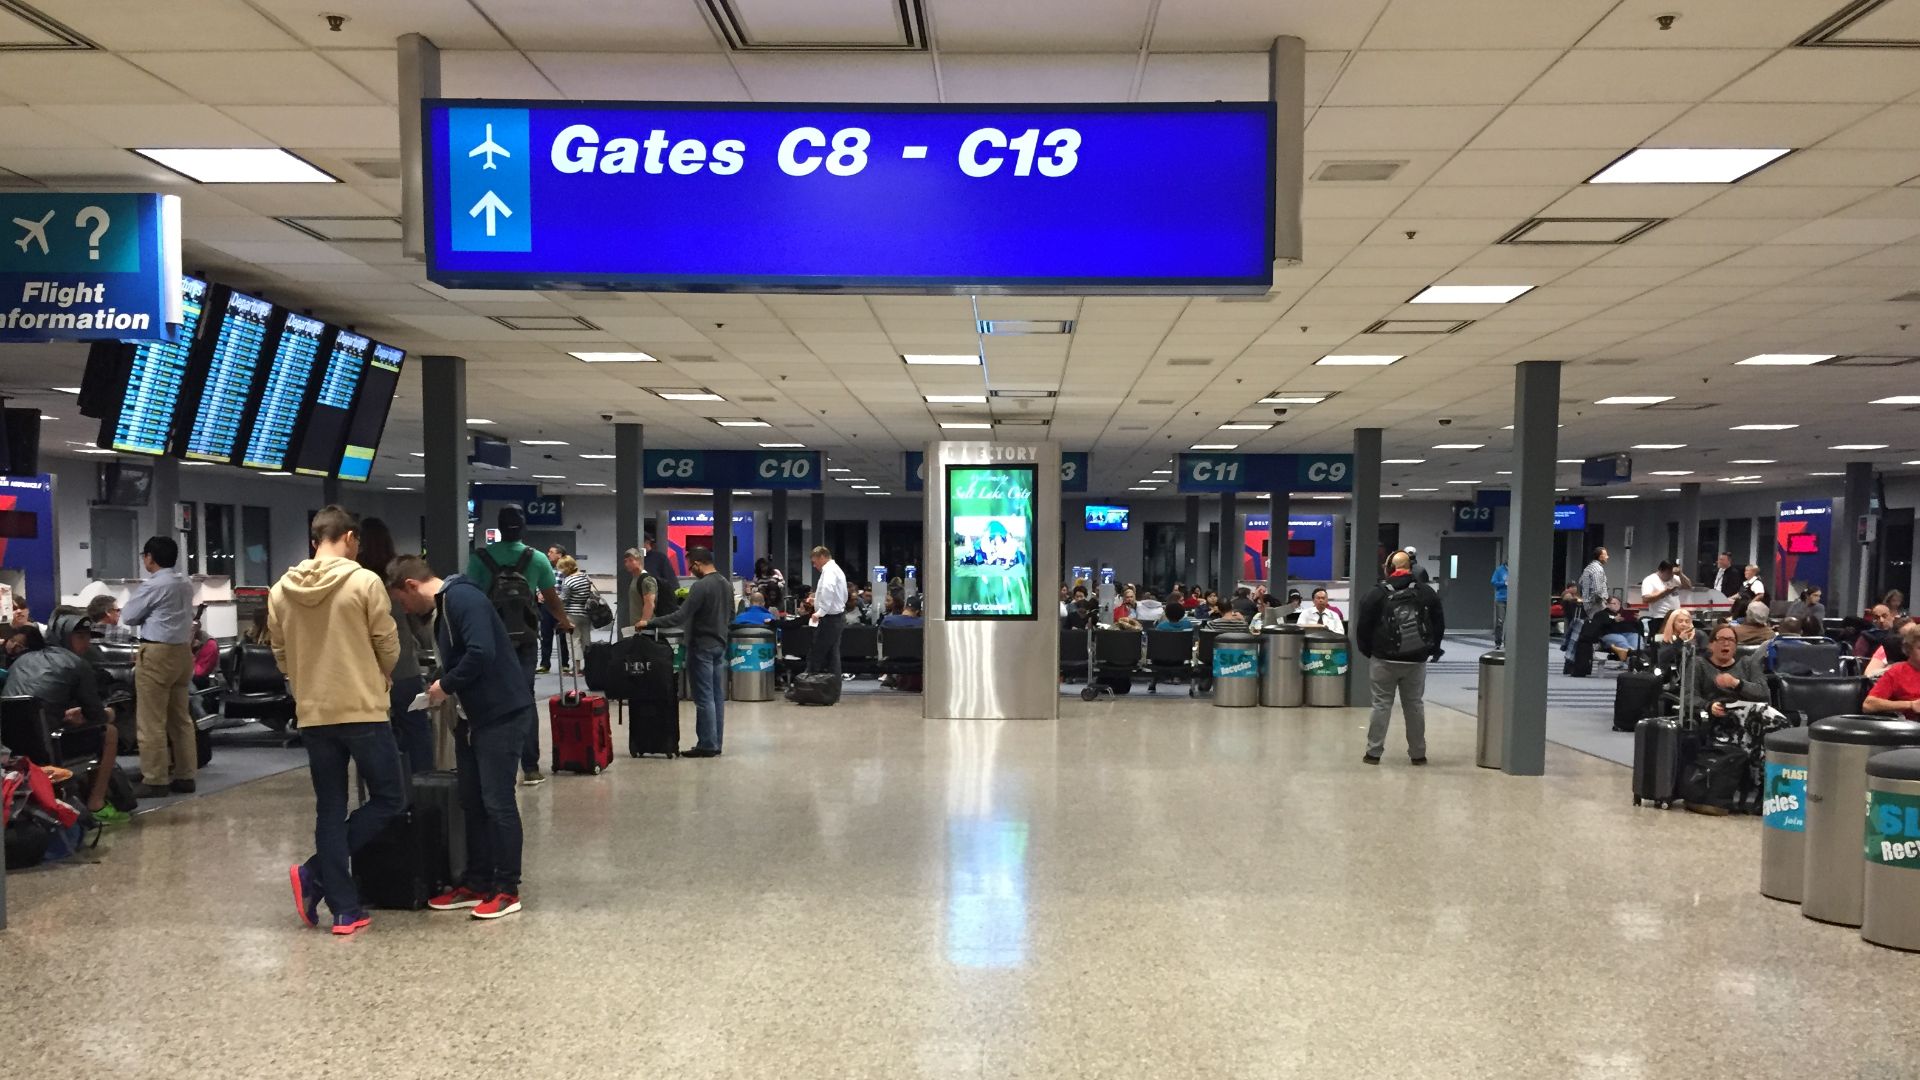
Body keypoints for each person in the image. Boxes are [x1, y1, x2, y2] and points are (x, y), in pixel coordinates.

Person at [272, 506, 403, 937]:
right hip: (362, 706)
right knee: (388, 798)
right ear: (349, 538)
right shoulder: (365, 581)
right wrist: (384, 670)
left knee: (329, 807)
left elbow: (280, 653)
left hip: (313, 712)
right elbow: (386, 640)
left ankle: (345, 909)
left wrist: (303, 679)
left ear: (315, 541)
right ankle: (315, 873)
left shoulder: (280, 591)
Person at [388, 554, 532, 921]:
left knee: (497, 802)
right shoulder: (445, 608)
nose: (405, 609)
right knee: (472, 800)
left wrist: (445, 686)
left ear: (411, 586)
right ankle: (477, 881)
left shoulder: (462, 599)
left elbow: (481, 652)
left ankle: (506, 888)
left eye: (403, 602)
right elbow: (459, 655)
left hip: (501, 714)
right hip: (473, 718)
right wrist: (440, 679)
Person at [464, 505, 570, 786]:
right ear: (523, 528)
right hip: (524, 638)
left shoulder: (480, 558)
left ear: (498, 528)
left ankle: (491, 763)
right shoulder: (536, 558)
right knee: (524, 697)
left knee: (489, 695)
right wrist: (565, 621)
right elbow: (551, 598)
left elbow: (470, 597)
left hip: (489, 637)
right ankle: (531, 767)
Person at [4, 615, 125, 823]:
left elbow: (33, 703)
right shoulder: (78, 665)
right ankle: (96, 804)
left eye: (88, 637)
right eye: (80, 636)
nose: (86, 642)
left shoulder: (22, 660)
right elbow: (96, 715)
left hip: (8, 747)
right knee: (109, 731)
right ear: (65, 637)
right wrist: (108, 713)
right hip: (51, 744)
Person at [357, 518, 436, 775]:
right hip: (404, 670)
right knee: (417, 732)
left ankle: (387, 795)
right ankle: (424, 790)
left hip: (365, 673)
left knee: (375, 738)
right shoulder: (397, 580)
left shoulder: (354, 581)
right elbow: (421, 630)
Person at [122, 536, 197, 800]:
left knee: (151, 720)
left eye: (145, 555)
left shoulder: (153, 585)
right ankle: (186, 775)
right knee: (181, 719)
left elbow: (129, 616)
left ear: (150, 558)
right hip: (181, 653)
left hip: (156, 653)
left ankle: (155, 779)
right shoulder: (184, 584)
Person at [635, 546, 730, 757]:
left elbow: (680, 616)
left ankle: (707, 744)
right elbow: (730, 614)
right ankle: (716, 743)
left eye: (690, 566)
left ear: (697, 563)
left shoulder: (701, 586)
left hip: (701, 646)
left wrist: (648, 623)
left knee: (704, 698)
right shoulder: (725, 583)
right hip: (719, 645)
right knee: (716, 697)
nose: (689, 570)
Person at [1353, 551, 1445, 766]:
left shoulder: (1376, 593)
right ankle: (1418, 754)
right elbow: (1439, 623)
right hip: (1416, 660)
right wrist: (1433, 649)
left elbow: (1363, 626)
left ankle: (1373, 753)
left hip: (1383, 659)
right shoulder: (1425, 592)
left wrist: (1369, 651)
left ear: (1388, 568)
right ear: (1410, 568)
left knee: (1381, 705)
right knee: (1414, 705)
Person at [1693, 622, 1771, 721]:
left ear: (1735, 646)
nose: (1726, 643)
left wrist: (1736, 683)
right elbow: (1689, 696)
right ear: (1711, 645)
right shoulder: (1699, 664)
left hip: (1747, 718)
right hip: (1713, 718)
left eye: (1731, 640)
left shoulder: (1748, 663)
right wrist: (1708, 706)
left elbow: (1764, 693)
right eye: (1721, 639)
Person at [805, 545, 848, 679]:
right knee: (832, 655)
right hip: (837, 618)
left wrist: (820, 612)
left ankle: (807, 684)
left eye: (814, 561)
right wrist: (817, 600)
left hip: (830, 619)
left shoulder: (829, 571)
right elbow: (841, 596)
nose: (814, 565)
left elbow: (828, 590)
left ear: (822, 557)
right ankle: (832, 689)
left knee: (816, 653)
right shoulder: (836, 570)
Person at [1864, 623, 1920, 719]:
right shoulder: (1897, 672)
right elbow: (1868, 705)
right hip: (1909, 728)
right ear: (1908, 649)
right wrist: (1910, 704)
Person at [555, 556, 596, 674]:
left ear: (567, 567)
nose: (561, 571)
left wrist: (554, 598)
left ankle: (576, 668)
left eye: (562, 568)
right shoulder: (585, 577)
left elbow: (564, 599)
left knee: (573, 640)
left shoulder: (568, 581)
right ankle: (588, 666)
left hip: (572, 614)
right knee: (586, 640)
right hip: (586, 613)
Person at [537, 544, 569, 675]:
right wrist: (538, 593)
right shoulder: (547, 570)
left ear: (559, 555)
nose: (548, 554)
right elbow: (539, 583)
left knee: (563, 636)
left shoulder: (567, 571)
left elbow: (568, 588)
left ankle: (565, 664)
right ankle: (545, 664)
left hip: (560, 606)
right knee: (546, 635)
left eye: (551, 552)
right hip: (546, 607)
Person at [1588, 596, 1642, 663]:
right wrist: (1613, 620)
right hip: (1610, 634)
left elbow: (1639, 629)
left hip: (1630, 633)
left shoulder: (1624, 614)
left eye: (1619, 604)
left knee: (1636, 638)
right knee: (1620, 639)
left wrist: (1638, 621)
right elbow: (1597, 626)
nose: (1617, 605)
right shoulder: (1601, 614)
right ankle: (1632, 657)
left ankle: (1636, 658)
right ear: (1607, 604)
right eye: (1614, 603)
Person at [643, 534, 680, 617]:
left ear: (647, 543)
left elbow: (671, 582)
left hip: (660, 602)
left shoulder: (659, 558)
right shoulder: (637, 559)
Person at [622, 547, 659, 629]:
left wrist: (643, 623)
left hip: (645, 629)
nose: (627, 564)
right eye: (625, 561)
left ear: (639, 561)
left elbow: (649, 604)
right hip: (636, 627)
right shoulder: (635, 578)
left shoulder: (647, 580)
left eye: (631, 560)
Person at [1578, 547, 1610, 618]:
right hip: (1596, 606)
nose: (1608, 557)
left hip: (1587, 605)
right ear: (1601, 557)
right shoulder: (1598, 569)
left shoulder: (1589, 568)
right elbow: (1598, 591)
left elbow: (1580, 582)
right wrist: (1602, 601)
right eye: (1606, 555)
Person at [1491, 561, 1508, 648]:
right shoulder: (1499, 570)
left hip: (1512, 600)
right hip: (1501, 599)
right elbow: (1493, 582)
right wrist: (1503, 583)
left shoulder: (1515, 570)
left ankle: (1508, 642)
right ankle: (1498, 642)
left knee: (1511, 623)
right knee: (1500, 622)